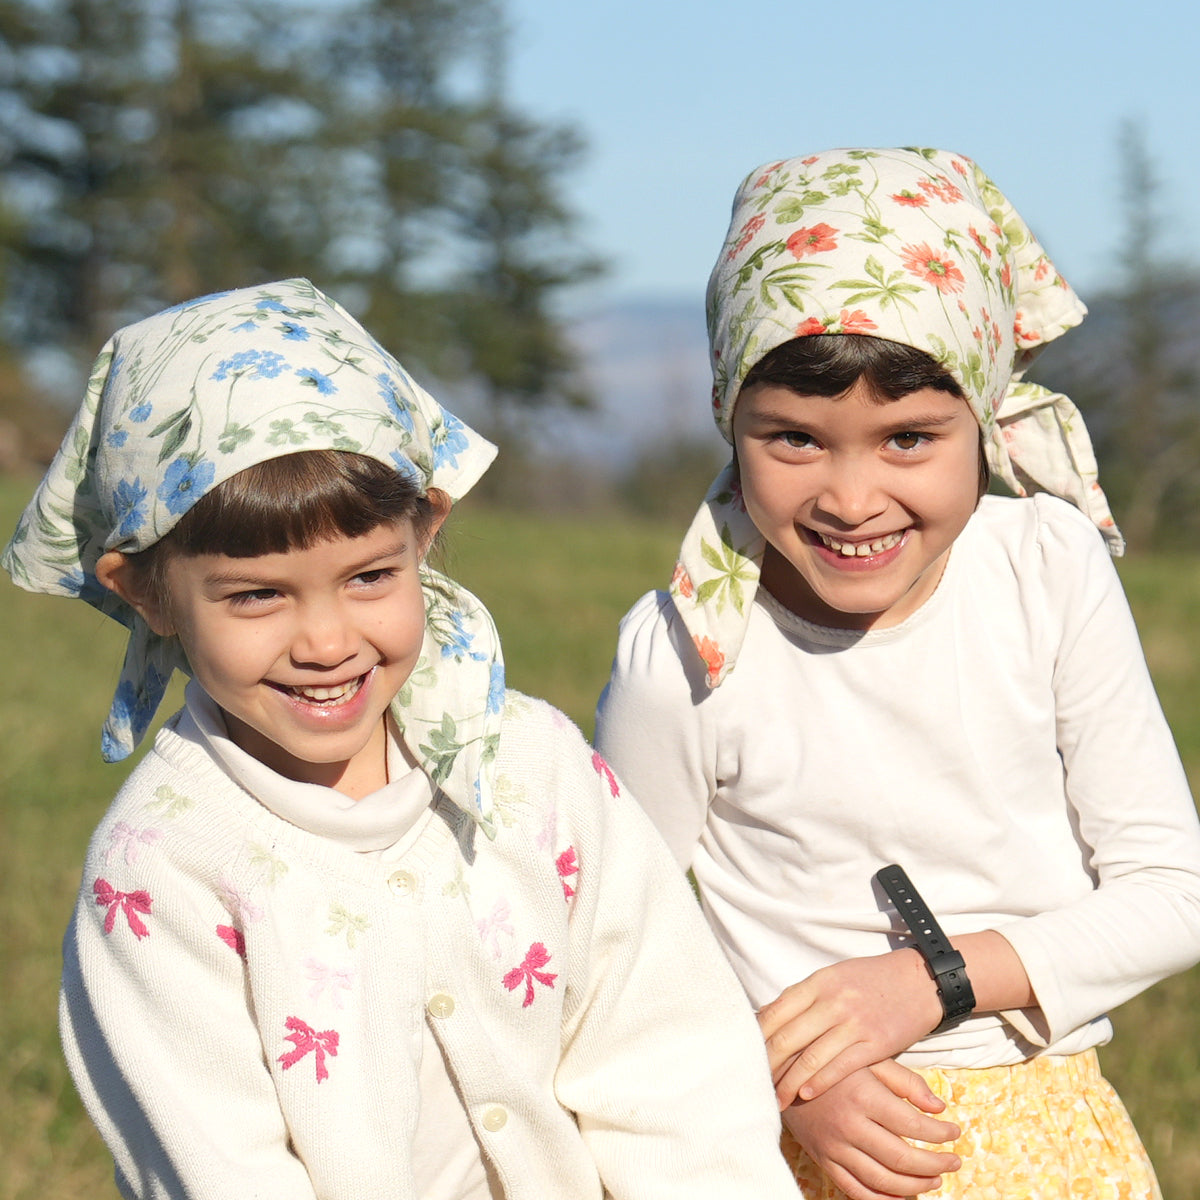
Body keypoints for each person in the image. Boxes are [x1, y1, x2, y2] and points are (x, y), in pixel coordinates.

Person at [3, 278, 801, 1200]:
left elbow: (668, 1057)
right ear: (144, 592)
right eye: (256, 594)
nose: (328, 641)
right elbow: (222, 1170)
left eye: (370, 577)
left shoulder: (532, 768)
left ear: (427, 529)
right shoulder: (164, 870)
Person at [595, 147, 1200, 1200]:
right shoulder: (687, 653)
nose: (852, 496)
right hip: (792, 1144)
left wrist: (934, 981)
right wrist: (776, 1077)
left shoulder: (1047, 572)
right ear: (727, 420)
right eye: (794, 439)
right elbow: (611, 947)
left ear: (986, 417)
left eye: (909, 438)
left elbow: (1174, 892)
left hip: (1044, 1132)